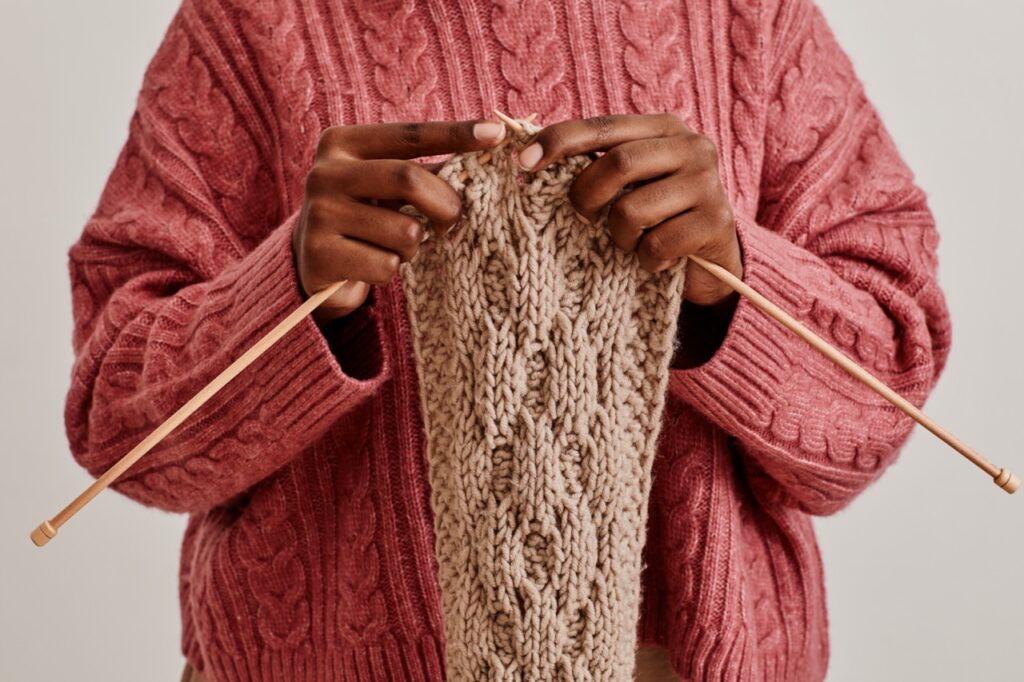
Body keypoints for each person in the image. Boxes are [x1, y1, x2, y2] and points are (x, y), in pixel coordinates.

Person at [65, 0, 951, 680]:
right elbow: (120, 433)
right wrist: (289, 292)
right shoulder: (250, 23)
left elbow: (876, 407)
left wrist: (728, 279)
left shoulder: (744, 17)